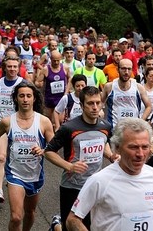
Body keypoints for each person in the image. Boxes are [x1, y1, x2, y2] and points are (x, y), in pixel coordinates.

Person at [66, 118, 153, 231]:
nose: (140, 154)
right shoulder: (99, 180)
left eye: (145, 147)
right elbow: (73, 219)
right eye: (133, 147)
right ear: (117, 148)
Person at [45, 86, 116, 231]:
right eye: (90, 103)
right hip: (72, 186)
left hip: (95, 185)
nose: (95, 107)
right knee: (70, 227)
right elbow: (49, 152)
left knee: (90, 225)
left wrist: (110, 155)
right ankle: (56, 225)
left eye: (98, 103)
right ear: (82, 105)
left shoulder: (106, 126)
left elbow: (104, 143)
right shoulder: (69, 128)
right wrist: (70, 166)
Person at [0, 81, 54, 231]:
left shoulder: (44, 122)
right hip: (15, 174)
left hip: (35, 175)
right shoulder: (8, 122)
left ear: (34, 99)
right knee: (16, 217)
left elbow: (53, 148)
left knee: (30, 213)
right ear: (16, 99)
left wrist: (43, 150)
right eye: (22, 96)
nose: (25, 99)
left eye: (28, 96)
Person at [0, 55, 24, 203]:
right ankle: (0, 191)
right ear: (4, 68)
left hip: (18, 127)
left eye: (15, 66)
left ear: (19, 68)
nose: (12, 69)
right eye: (9, 66)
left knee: (16, 157)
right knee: (1, 157)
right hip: (1, 126)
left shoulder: (23, 83)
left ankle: (13, 180)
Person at [101, 59, 153, 128]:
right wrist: (100, 111)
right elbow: (100, 102)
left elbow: (149, 106)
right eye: (123, 69)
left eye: (129, 69)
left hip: (133, 129)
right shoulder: (109, 87)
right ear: (117, 69)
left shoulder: (138, 87)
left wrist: (141, 121)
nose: (126, 72)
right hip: (114, 129)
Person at [35, 50, 72, 123]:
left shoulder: (65, 67)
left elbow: (69, 78)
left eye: (58, 60)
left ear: (60, 59)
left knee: (60, 120)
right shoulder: (46, 69)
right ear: (50, 59)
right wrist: (39, 84)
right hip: (49, 98)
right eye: (54, 61)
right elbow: (37, 81)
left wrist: (67, 91)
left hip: (61, 98)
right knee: (50, 121)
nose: (56, 62)